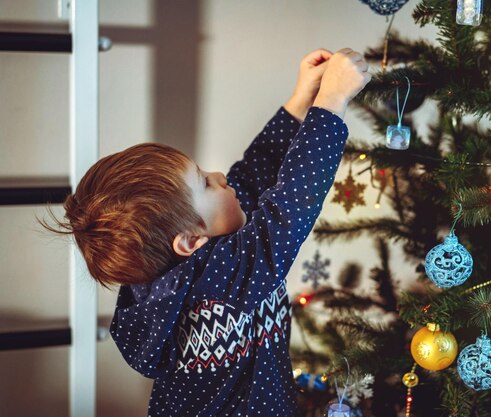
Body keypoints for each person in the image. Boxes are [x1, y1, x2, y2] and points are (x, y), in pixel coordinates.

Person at [44, 47, 370, 416]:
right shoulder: (220, 280)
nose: (219, 176)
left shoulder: (199, 251)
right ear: (188, 242)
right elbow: (289, 210)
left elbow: (252, 174)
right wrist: (330, 102)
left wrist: (300, 101)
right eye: (204, 183)